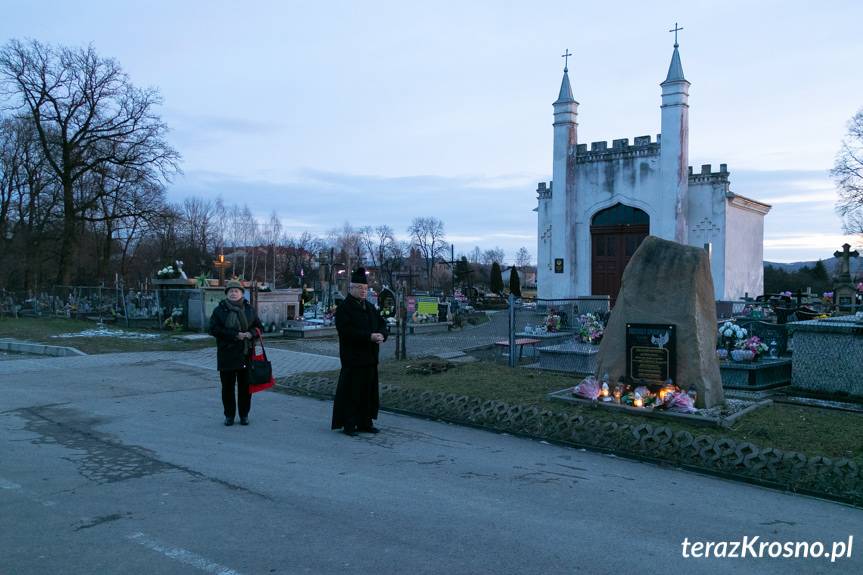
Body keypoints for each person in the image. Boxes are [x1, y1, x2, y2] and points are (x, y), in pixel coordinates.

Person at [331, 267, 388, 436]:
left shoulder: (370, 307)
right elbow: (346, 331)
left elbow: (382, 324)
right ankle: (349, 424)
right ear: (352, 289)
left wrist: (382, 335)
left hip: (370, 358)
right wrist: (368, 336)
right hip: (353, 358)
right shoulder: (344, 308)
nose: (363, 292)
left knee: (368, 392)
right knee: (352, 392)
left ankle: (365, 422)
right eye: (360, 289)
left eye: (365, 289)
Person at [209, 279, 262, 426]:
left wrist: (251, 334)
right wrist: (234, 335)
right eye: (230, 291)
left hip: (246, 354)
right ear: (227, 294)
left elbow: (259, 327)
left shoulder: (249, 309)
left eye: (236, 291)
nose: (233, 293)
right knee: (227, 387)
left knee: (245, 388)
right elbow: (213, 329)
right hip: (227, 354)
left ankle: (244, 415)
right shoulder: (219, 310)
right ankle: (229, 415)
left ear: (241, 294)